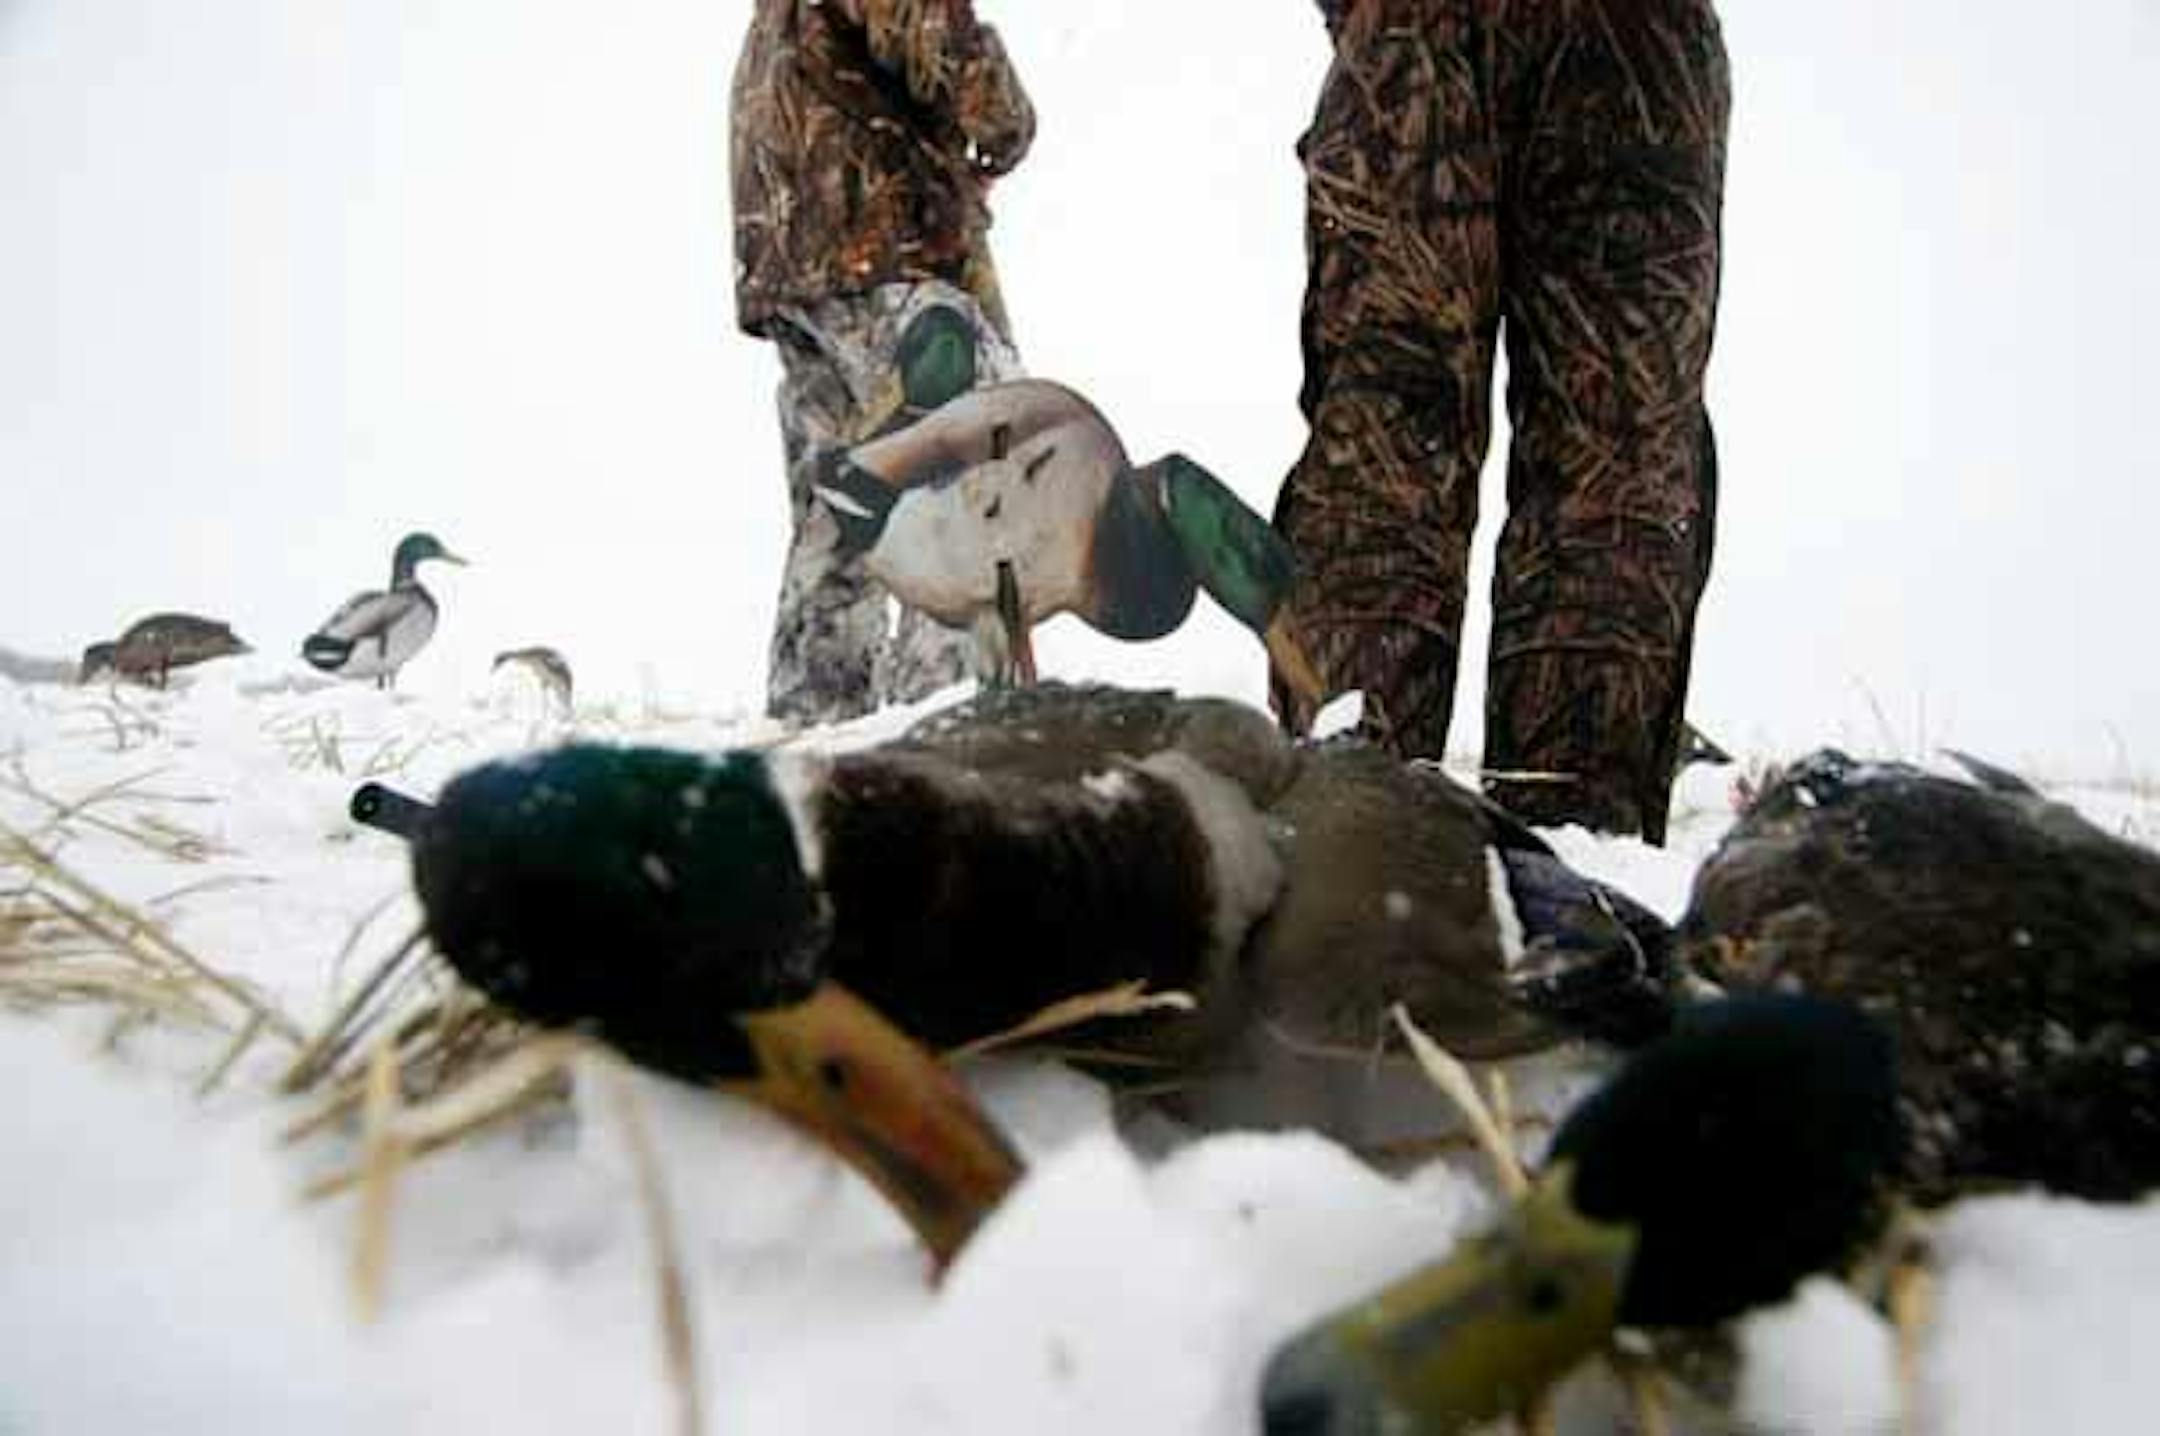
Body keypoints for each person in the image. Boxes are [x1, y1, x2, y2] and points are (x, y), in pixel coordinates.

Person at [1270, 0, 1729, 844]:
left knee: (1386, 449)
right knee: (1612, 474)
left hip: (1422, 34)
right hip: (1628, 46)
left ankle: (1349, 862)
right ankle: (1573, 880)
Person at [731, 0, 1035, 726]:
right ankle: (949, 717)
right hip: (882, 239)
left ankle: (817, 724)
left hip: (797, 262)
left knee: (839, 505)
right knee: (978, 452)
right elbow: (930, 28)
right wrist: (1003, 121)